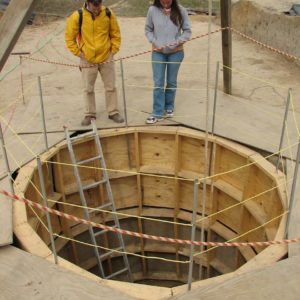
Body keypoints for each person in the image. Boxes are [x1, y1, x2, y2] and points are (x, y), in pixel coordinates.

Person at [65, 0, 124, 126]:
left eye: (99, 5)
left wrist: (112, 51)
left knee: (111, 86)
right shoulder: (78, 16)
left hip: (106, 57)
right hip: (87, 58)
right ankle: (89, 114)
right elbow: (69, 38)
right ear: (88, 2)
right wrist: (79, 53)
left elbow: (115, 34)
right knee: (87, 88)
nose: (97, 9)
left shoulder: (108, 13)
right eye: (94, 6)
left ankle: (113, 112)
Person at [145, 0, 191, 124]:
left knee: (171, 81)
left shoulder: (181, 10)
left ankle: (169, 106)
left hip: (176, 53)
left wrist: (177, 42)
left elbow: (187, 31)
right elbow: (148, 30)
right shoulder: (152, 10)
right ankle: (157, 112)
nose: (166, 2)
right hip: (158, 52)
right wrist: (155, 42)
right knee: (158, 82)